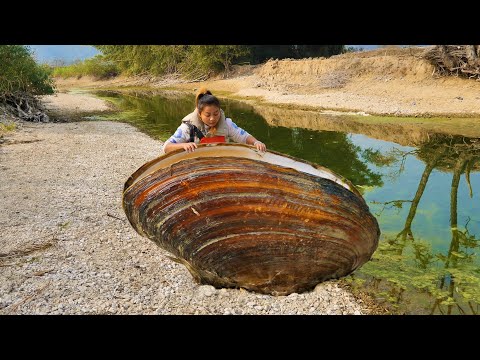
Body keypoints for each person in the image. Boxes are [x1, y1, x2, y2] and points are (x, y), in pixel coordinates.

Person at [162, 88, 267, 153]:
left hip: (220, 166)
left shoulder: (226, 124)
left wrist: (256, 142)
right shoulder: (187, 128)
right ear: (199, 114)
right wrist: (183, 145)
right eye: (207, 115)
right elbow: (166, 147)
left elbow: (244, 137)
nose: (212, 118)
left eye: (216, 114)